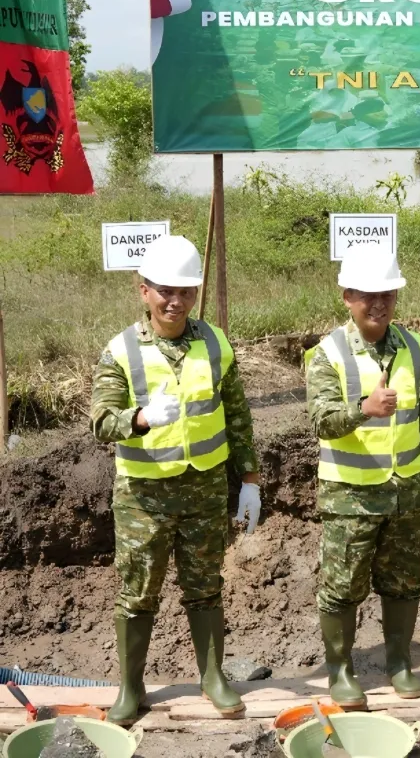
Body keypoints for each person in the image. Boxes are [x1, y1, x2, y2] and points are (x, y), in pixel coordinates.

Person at [91, 235, 261, 725]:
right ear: (143, 290)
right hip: (143, 495)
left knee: (206, 586)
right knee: (138, 590)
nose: (176, 301)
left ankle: (213, 678)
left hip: (204, 489)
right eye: (165, 290)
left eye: (185, 291)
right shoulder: (121, 350)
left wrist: (248, 478)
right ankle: (130, 688)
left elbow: (237, 414)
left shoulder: (215, 342)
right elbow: (100, 420)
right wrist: (139, 418)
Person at [305, 244, 420, 706]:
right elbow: (322, 420)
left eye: (387, 293)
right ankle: (341, 672)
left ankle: (399, 663)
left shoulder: (415, 348)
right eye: (368, 294)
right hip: (350, 495)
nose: (379, 303)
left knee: (403, 582)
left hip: (406, 491)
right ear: (347, 296)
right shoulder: (326, 354)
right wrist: (362, 410)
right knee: (342, 586)